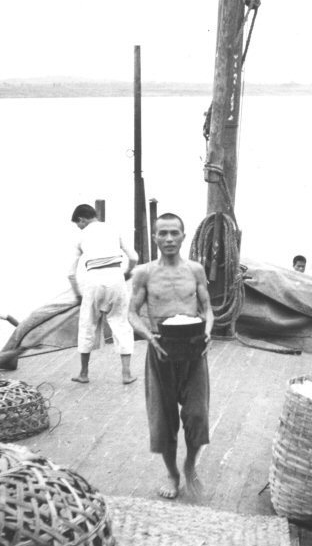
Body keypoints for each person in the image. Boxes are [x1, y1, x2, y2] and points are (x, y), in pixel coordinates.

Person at [128, 212, 213, 500]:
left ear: (183, 236)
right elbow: (131, 313)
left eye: (174, 233)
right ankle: (172, 473)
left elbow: (207, 310)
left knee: (198, 416)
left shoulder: (195, 270)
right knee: (163, 421)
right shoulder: (144, 273)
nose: (168, 239)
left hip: (193, 351)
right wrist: (149, 336)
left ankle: (189, 464)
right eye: (162, 233)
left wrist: (209, 331)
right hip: (161, 351)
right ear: (154, 237)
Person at [69, 203, 138, 385]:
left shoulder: (81, 236)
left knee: (87, 324)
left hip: (93, 282)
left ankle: (84, 373)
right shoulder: (114, 229)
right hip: (116, 278)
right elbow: (134, 258)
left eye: (79, 224)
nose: (80, 227)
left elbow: (70, 273)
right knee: (121, 323)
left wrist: (77, 294)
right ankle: (126, 374)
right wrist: (128, 272)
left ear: (82, 219)